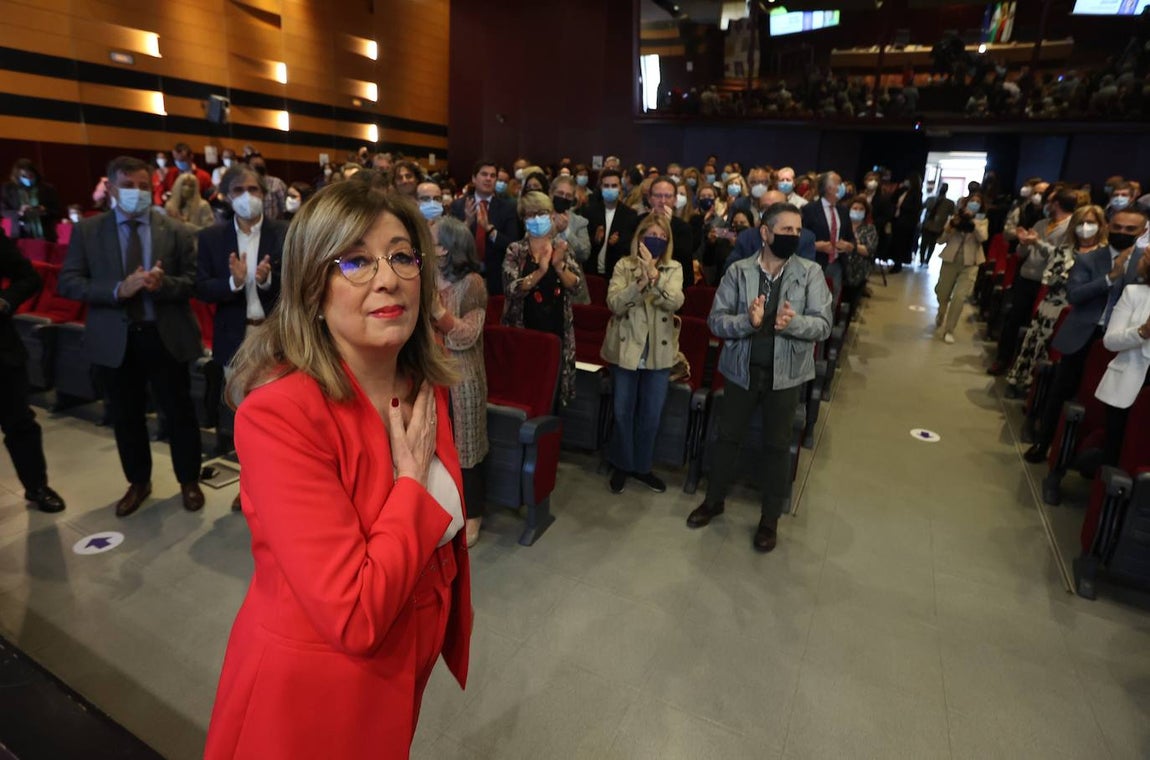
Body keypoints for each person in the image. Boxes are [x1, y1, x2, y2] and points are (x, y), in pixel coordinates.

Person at [203, 181, 472, 759]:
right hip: (315, 696)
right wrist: (409, 483)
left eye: (402, 255)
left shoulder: (422, 382)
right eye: (355, 260)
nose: (387, 278)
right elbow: (353, 613)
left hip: (402, 669)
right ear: (311, 287)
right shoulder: (280, 416)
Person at [58, 156, 205, 517]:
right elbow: (69, 282)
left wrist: (161, 284)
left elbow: (192, 282)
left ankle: (189, 480)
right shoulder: (89, 231)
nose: (136, 193)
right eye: (128, 185)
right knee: (126, 415)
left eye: (143, 186)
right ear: (110, 188)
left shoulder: (176, 230)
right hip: (116, 338)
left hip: (165, 334)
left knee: (180, 412)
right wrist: (118, 290)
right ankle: (139, 481)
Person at [687, 203, 832, 552]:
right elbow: (716, 320)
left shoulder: (810, 273)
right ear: (765, 233)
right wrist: (745, 323)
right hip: (741, 370)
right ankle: (714, 500)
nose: (793, 237)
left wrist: (792, 324)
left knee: (777, 447)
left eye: (798, 232)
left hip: (786, 375)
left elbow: (823, 325)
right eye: (785, 231)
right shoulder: (738, 271)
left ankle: (769, 519)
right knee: (727, 438)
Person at [195, 164, 288, 507]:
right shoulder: (210, 238)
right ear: (225, 196)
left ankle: (283, 480)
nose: (247, 197)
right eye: (239, 191)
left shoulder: (284, 233)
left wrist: (265, 280)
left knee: (284, 412)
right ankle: (249, 484)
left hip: (276, 334)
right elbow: (201, 287)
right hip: (236, 336)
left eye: (255, 190)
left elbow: (298, 282)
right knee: (244, 417)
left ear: (265, 195)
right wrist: (234, 283)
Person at [1024, 205, 1145, 463]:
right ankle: (1043, 443)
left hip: (1125, 341)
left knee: (1114, 404)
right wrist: (1111, 277)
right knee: (1062, 391)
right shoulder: (1089, 259)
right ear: (1108, 227)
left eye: (1130, 229)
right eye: (1118, 227)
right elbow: (1075, 295)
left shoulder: (1144, 264)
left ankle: (1099, 458)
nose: (1122, 232)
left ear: (1142, 231)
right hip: (1085, 334)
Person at [601, 213, 684, 495]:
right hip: (627, 349)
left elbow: (676, 301)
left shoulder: (673, 268)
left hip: (658, 353)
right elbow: (614, 303)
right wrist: (638, 284)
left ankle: (643, 466)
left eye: (662, 237)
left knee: (651, 414)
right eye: (652, 235)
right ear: (640, 237)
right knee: (623, 412)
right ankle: (622, 463)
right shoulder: (624, 265)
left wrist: (655, 276)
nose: (656, 241)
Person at [430, 218, 489, 547]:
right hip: (430, 373)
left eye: (432, 239)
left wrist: (439, 313)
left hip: (462, 377)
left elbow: (468, 335)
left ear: (446, 248)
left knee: (466, 448)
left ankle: (473, 514)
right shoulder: (424, 277)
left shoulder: (472, 283)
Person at [1004, 205, 1104, 394]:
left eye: (1090, 223)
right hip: (1051, 307)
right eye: (1080, 223)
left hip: (1079, 315)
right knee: (1036, 348)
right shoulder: (1065, 250)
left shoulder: (1104, 256)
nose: (1085, 227)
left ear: (1100, 226)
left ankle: (1047, 396)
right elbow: (1050, 268)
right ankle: (1026, 386)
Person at [0, 229, 65, 513]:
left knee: (19, 423)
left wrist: (4, 301)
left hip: (1, 351)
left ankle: (37, 486)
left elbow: (28, 278)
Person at [501, 192, 586, 407]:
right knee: (524, 391)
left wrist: (558, 266)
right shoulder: (516, 250)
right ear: (523, 219)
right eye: (531, 214)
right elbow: (512, 288)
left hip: (556, 330)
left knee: (553, 393)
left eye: (542, 213)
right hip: (523, 331)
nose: (537, 218)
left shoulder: (562, 248)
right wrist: (541, 271)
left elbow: (577, 286)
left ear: (551, 216)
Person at [990, 188, 1076, 374]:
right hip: (1027, 277)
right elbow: (1022, 254)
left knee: (1036, 328)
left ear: (1057, 204)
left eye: (1050, 201)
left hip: (1048, 284)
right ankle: (1003, 359)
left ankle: (1026, 370)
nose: (1046, 204)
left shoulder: (1070, 228)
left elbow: (1060, 256)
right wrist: (1023, 243)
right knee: (1013, 320)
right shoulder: (1041, 223)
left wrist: (1037, 242)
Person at [1096, 249, 1150, 466]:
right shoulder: (1134, 293)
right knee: (1116, 448)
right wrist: (1142, 332)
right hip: (1130, 382)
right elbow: (1110, 341)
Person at [450, 159, 519, 296]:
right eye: (484, 174)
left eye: (493, 176)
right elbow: (450, 244)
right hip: (462, 276)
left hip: (496, 279)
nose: (488, 179)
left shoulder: (508, 208)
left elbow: (513, 245)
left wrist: (490, 230)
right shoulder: (458, 205)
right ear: (474, 179)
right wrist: (467, 223)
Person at [934, 193, 989, 344]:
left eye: (978, 202)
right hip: (951, 259)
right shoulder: (954, 217)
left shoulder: (982, 221)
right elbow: (941, 240)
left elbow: (983, 237)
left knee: (959, 297)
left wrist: (973, 221)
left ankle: (949, 329)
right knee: (942, 291)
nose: (975, 203)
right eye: (972, 201)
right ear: (965, 203)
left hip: (971, 263)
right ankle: (941, 311)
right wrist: (951, 225)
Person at [801, 171, 855, 298]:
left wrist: (849, 246)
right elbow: (799, 238)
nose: (843, 187)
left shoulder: (844, 211)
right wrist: (815, 246)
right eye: (839, 183)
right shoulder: (809, 209)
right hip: (815, 263)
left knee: (832, 301)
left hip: (837, 264)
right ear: (829, 188)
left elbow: (851, 238)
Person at [639, 177, 696, 285]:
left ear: (675, 200)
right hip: (640, 281)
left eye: (668, 196)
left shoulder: (684, 228)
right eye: (658, 196)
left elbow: (683, 261)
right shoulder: (638, 222)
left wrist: (668, 227)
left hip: (672, 285)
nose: (663, 201)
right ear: (650, 199)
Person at [583, 168, 638, 278]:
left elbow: (631, 245)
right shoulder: (589, 212)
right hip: (592, 271)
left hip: (616, 274)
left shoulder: (630, 215)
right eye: (606, 186)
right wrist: (595, 240)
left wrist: (618, 242)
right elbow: (583, 244)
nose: (610, 189)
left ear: (620, 188)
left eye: (614, 186)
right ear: (601, 187)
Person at [1, 160, 62, 242]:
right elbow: (3, 211)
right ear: (17, 176)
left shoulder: (47, 189)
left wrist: (44, 210)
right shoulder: (7, 189)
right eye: (24, 176)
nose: (28, 179)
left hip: (45, 233)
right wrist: (20, 212)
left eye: (30, 175)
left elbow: (57, 210)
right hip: (19, 235)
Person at [844, 195, 877, 318]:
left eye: (861, 209)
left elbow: (868, 250)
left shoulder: (869, 229)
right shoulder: (843, 225)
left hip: (859, 270)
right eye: (855, 208)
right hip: (842, 267)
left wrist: (852, 246)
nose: (857, 211)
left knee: (852, 303)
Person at [550, 175, 590, 264]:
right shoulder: (540, 217)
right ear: (551, 193)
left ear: (572, 199)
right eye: (560, 193)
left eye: (568, 195)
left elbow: (584, 254)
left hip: (570, 272)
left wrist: (566, 232)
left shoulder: (580, 222)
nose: (564, 197)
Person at [888, 175, 923, 274]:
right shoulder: (904, 191)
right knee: (895, 242)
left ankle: (898, 264)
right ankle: (894, 261)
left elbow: (915, 209)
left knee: (901, 244)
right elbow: (893, 200)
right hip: (897, 220)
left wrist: (903, 207)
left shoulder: (917, 194)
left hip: (906, 224)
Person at [919, 183, 955, 265]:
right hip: (927, 224)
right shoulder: (930, 199)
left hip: (938, 226)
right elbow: (922, 208)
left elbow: (952, 215)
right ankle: (921, 259)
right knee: (923, 243)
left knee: (932, 244)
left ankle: (927, 260)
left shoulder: (949, 203)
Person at [248, 156, 287, 220]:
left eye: (260, 164)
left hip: (273, 224)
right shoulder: (246, 185)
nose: (258, 166)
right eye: (255, 165)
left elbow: (284, 208)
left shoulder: (276, 183)